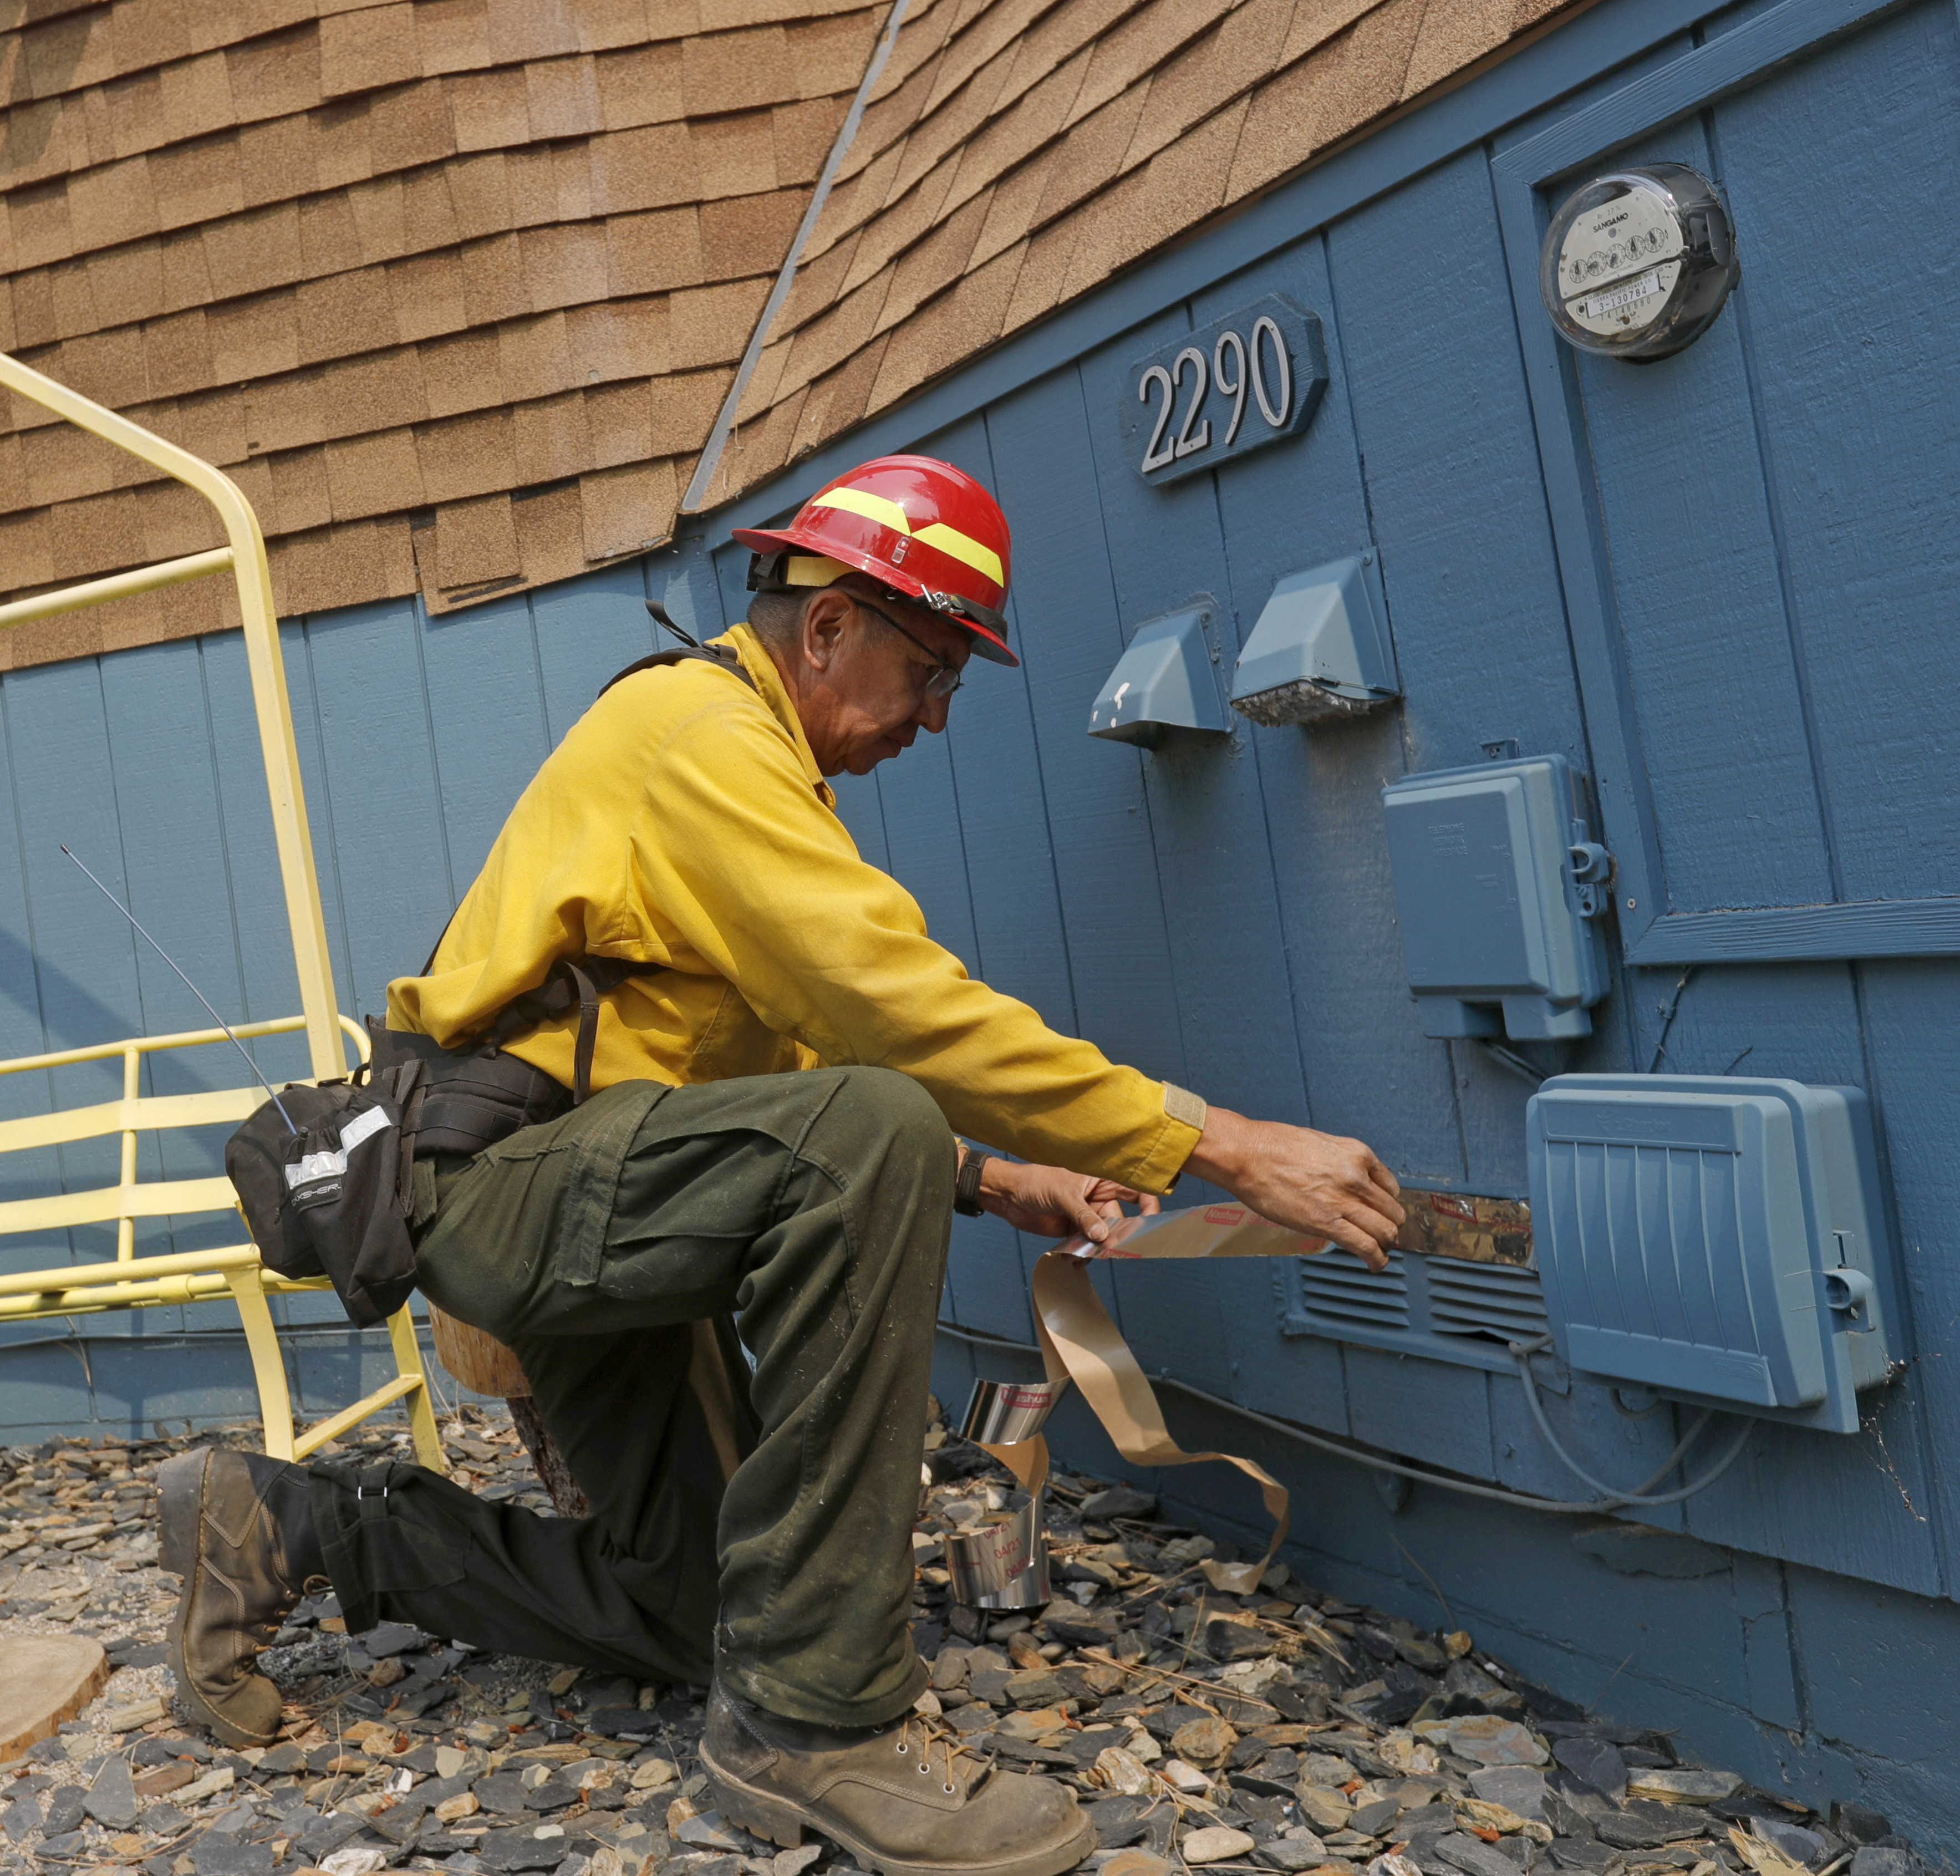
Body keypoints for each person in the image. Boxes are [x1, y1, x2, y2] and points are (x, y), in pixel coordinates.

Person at [162, 455, 1404, 1876]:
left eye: (952, 685)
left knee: (698, 1617)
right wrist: (1223, 1142)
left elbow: (765, 1076)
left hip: (600, 1191)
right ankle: (823, 1727)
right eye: (930, 670)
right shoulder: (697, 733)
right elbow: (884, 1010)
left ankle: (291, 1524)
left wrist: (998, 1181)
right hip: (509, 1184)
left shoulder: (745, 764)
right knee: (876, 1120)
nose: (934, 718)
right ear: (825, 627)